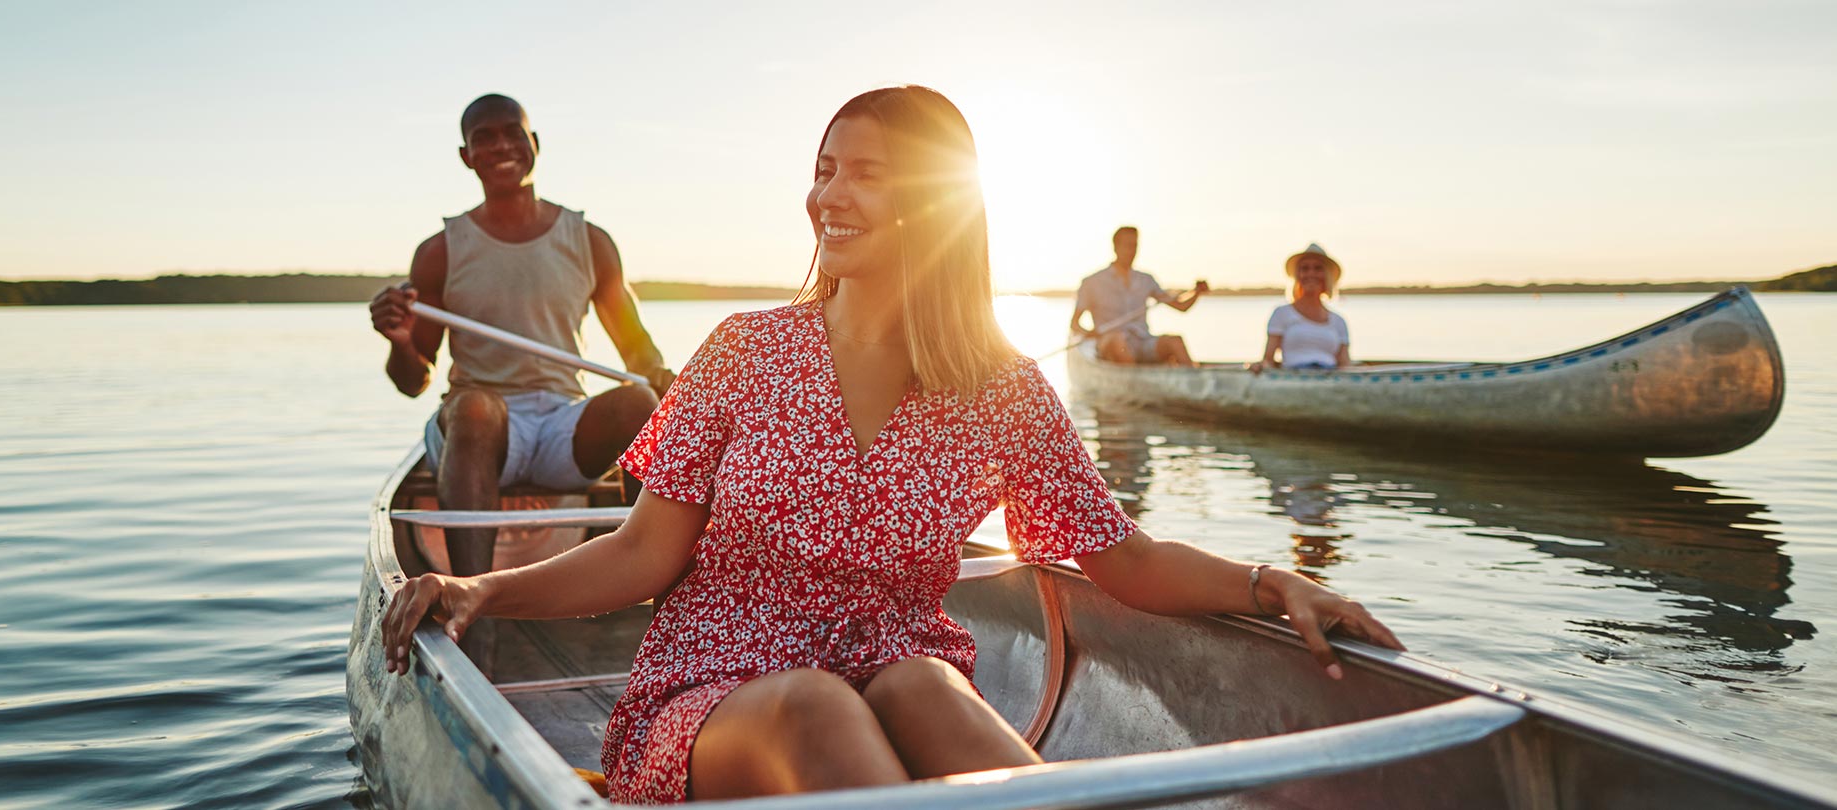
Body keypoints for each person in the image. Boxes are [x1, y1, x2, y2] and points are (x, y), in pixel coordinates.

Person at [382, 86, 1404, 804]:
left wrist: (1274, 583)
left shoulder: (999, 386)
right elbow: (647, 552)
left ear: (933, 202)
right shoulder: (745, 350)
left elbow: (1125, 560)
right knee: (819, 705)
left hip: (894, 669)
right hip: (717, 694)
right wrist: (486, 593)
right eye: (823, 170)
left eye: (862, 174)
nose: (828, 195)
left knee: (925, 683)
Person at [367, 94, 676, 579]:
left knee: (638, 402)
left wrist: (659, 378)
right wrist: (401, 342)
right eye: (483, 138)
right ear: (466, 157)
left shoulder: (590, 241)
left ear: (534, 143)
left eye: (513, 133)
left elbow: (638, 352)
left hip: (561, 428)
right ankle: (469, 605)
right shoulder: (440, 251)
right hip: (479, 434)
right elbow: (413, 382)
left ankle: (654, 591)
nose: (501, 146)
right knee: (474, 406)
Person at [1068, 226, 1208, 365]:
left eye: (1135, 245)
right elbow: (1075, 324)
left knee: (1175, 341)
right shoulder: (1093, 282)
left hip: (1143, 341)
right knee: (1117, 341)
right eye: (1127, 246)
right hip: (1110, 343)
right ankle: (1133, 382)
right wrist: (1087, 333)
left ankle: (1195, 381)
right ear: (1115, 247)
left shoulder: (1145, 280)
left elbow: (1181, 306)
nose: (1132, 251)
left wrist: (1197, 292)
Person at [1254, 243, 1350, 372]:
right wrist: (1259, 367)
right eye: (1305, 268)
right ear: (1297, 275)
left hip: (1330, 378)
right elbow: (1268, 360)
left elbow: (1345, 365)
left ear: (1327, 275)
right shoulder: (1282, 313)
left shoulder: (1338, 321)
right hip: (1293, 377)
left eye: (1318, 268)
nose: (1311, 273)